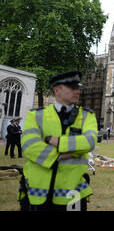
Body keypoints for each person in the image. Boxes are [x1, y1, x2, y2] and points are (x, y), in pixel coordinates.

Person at [19, 71, 98, 211]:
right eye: (72, 88)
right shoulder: (36, 115)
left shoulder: (87, 116)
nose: (77, 91)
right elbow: (29, 146)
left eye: (78, 88)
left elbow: (90, 142)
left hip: (72, 193)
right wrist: (68, 153)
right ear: (57, 90)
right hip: (37, 193)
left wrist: (52, 140)